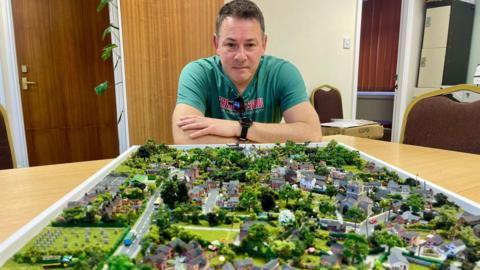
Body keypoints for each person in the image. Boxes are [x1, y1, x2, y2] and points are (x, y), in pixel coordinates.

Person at [172, 0, 321, 144]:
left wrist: (238, 128)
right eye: (231, 44)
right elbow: (184, 136)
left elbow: (312, 133)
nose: (241, 56)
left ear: (264, 44)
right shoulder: (197, 73)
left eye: (250, 45)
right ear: (216, 43)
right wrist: (259, 140)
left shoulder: (283, 73)